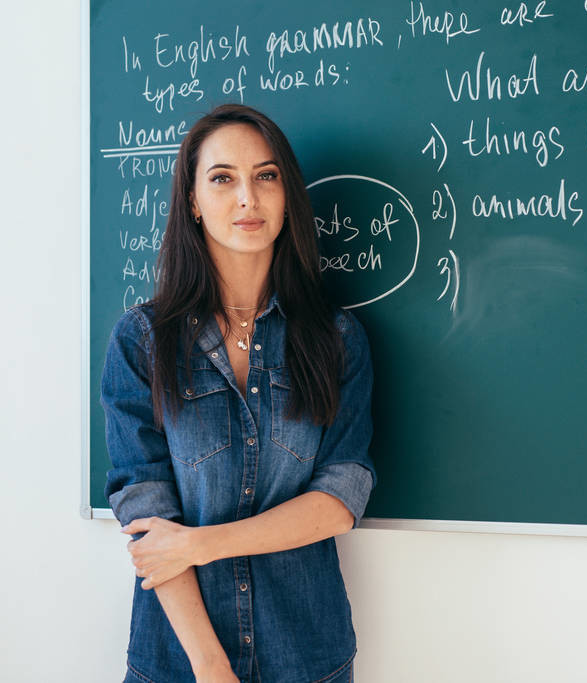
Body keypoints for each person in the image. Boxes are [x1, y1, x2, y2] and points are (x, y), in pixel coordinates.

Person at [101, 103, 376, 683]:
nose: (247, 198)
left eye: (266, 176)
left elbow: (340, 499)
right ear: (194, 202)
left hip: (308, 657)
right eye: (222, 178)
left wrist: (200, 544)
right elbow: (150, 522)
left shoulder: (337, 338)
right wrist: (209, 666)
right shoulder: (141, 341)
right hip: (179, 661)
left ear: (286, 197)